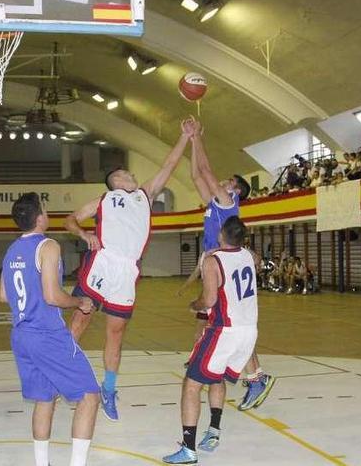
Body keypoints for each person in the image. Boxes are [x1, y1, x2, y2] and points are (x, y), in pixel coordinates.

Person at [66, 117, 194, 421]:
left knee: (116, 334)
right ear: (116, 181)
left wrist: (185, 137)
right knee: (79, 321)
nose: (132, 174)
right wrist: (83, 234)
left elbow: (169, 166)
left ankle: (109, 389)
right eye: (126, 172)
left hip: (126, 272)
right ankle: (63, 373)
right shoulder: (104, 199)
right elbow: (71, 219)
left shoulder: (144, 196)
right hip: (102, 264)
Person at [181, 122, 273, 451]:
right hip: (215, 262)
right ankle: (240, 372)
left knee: (224, 323)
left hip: (220, 265)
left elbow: (205, 168)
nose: (225, 180)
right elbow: (195, 175)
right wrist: (192, 143)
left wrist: (198, 137)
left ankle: (257, 375)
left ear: (234, 191)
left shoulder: (226, 200)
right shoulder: (216, 203)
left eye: (232, 181)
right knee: (216, 326)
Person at [2, 193, 100, 466]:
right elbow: (52, 296)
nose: (47, 211)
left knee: (45, 399)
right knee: (90, 396)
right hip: (46, 334)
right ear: (39, 216)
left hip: (21, 335)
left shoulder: (11, 250)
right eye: (45, 208)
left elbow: (3, 293)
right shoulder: (48, 246)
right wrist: (80, 302)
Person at [163, 217, 260, 465]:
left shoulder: (212, 261)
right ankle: (214, 432)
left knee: (191, 385)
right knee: (216, 377)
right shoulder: (250, 256)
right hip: (248, 332)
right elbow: (257, 260)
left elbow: (208, 301)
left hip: (223, 331)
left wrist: (192, 304)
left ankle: (188, 449)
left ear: (221, 235)